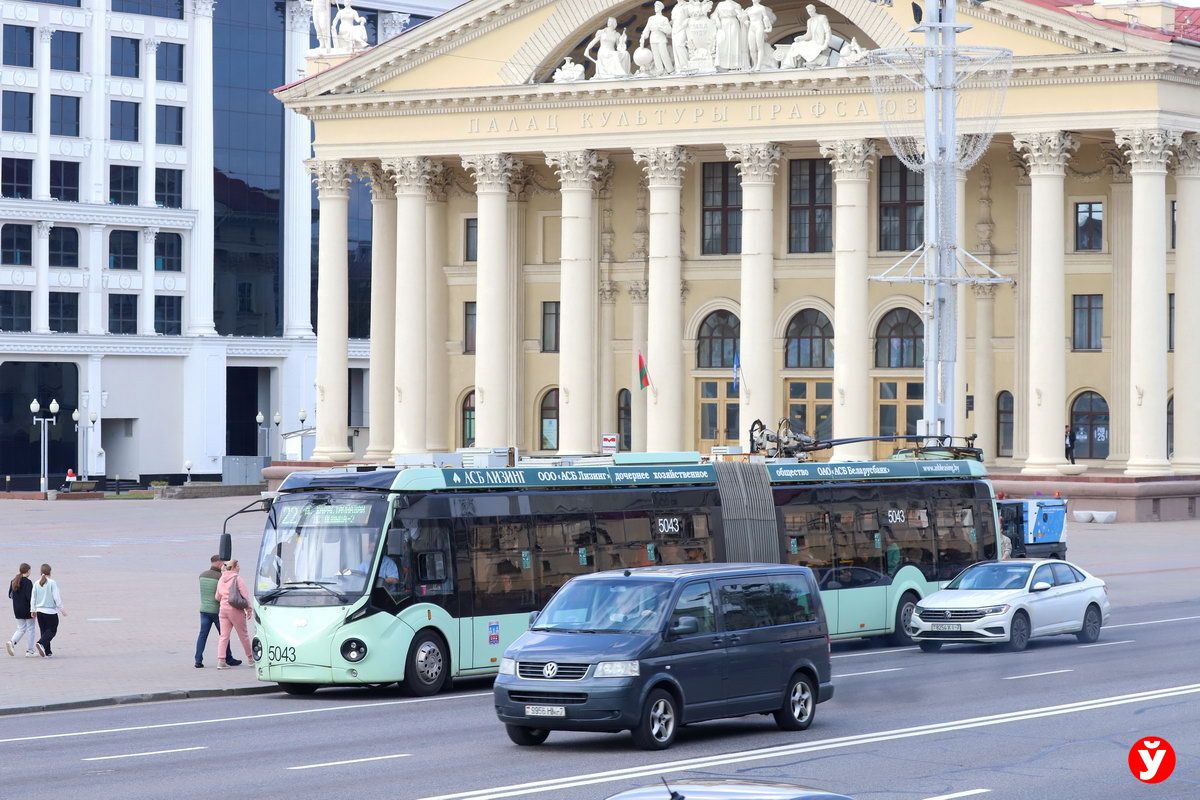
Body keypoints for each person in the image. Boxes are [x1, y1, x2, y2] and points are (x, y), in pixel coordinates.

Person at [195, 555, 241, 668]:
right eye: (223, 562)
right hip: (216, 611)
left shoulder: (202, 575)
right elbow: (221, 594)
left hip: (204, 609)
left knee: (202, 635)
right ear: (219, 562)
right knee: (224, 635)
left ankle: (198, 660)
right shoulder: (220, 577)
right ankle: (229, 658)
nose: (224, 565)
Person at [215, 560, 254, 670]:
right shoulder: (237, 579)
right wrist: (249, 609)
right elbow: (245, 596)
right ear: (233, 567)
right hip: (235, 609)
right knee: (243, 635)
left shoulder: (221, 579)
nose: (239, 568)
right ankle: (251, 659)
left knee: (224, 636)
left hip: (223, 609)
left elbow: (217, 596)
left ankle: (221, 661)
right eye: (238, 566)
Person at [32, 564, 64, 658]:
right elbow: (56, 597)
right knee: (52, 630)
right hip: (50, 611)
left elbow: (33, 598)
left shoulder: (36, 583)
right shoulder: (52, 582)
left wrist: (33, 610)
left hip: (39, 611)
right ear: (50, 572)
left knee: (44, 630)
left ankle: (47, 651)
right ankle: (41, 643)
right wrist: (61, 608)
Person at [6, 563, 36, 658]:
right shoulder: (28, 582)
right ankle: (29, 651)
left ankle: (12, 642)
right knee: (31, 629)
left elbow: (10, 595)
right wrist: (34, 609)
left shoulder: (13, 581)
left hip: (17, 609)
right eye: (30, 570)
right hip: (27, 609)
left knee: (21, 628)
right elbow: (30, 597)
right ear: (28, 571)